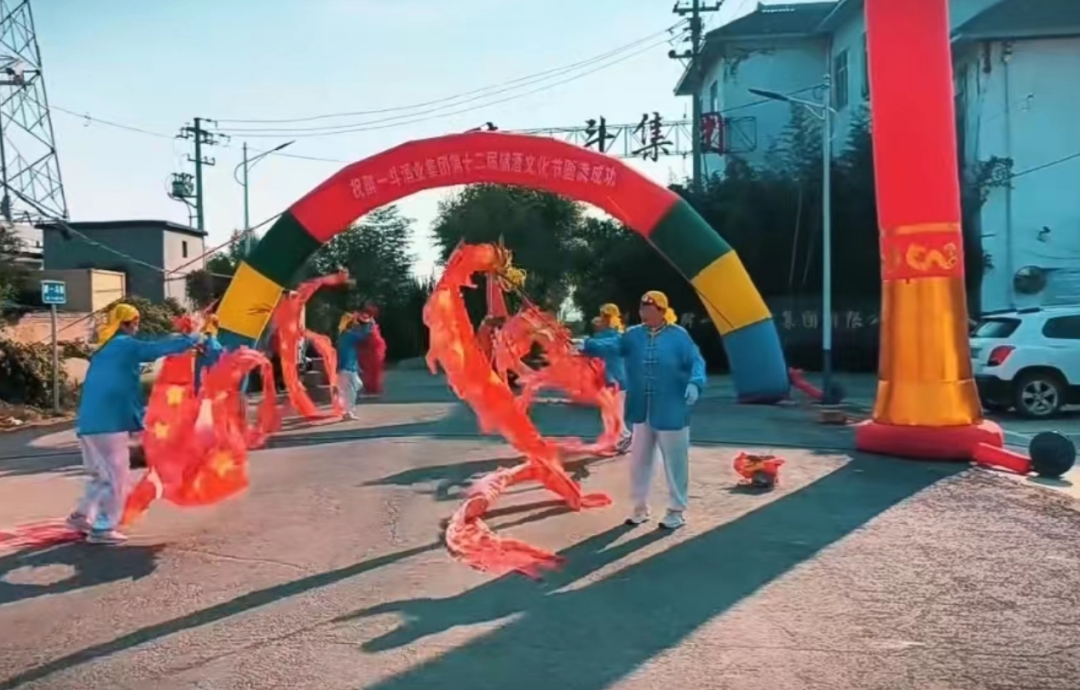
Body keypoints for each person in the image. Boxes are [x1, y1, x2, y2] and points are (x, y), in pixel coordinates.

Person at [66, 303, 202, 544]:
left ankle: (81, 516)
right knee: (116, 477)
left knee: (100, 476)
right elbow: (156, 349)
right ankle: (103, 528)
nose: (137, 327)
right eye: (135, 323)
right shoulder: (124, 345)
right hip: (109, 424)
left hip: (88, 423)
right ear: (126, 324)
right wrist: (193, 337)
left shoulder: (105, 349)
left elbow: (120, 387)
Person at [581, 290, 705, 530]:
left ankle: (676, 511)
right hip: (642, 409)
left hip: (672, 408)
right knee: (639, 461)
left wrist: (695, 383)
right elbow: (612, 345)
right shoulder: (633, 335)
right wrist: (586, 344)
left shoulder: (678, 336)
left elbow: (696, 361)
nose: (644, 313)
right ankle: (639, 508)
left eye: (649, 309)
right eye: (642, 309)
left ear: (662, 310)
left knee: (675, 462)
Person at [584, 304, 632, 454]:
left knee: (615, 413)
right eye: (602, 316)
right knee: (607, 414)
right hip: (605, 381)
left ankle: (624, 437)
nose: (601, 320)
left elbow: (602, 346)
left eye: (605, 316)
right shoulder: (600, 337)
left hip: (616, 381)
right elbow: (589, 352)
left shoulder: (619, 337)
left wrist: (588, 343)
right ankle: (615, 442)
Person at [336, 312, 372, 420]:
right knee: (350, 391)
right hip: (347, 368)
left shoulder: (343, 334)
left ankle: (346, 411)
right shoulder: (348, 335)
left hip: (347, 367)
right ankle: (348, 413)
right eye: (354, 322)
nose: (356, 324)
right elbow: (364, 335)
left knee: (353, 387)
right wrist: (368, 322)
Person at [355, 306, 387, 396]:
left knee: (370, 370)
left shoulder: (367, 322)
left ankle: (371, 389)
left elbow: (367, 335)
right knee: (371, 370)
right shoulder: (369, 322)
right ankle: (372, 388)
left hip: (371, 348)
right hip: (371, 349)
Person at [193, 315, 223, 393]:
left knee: (199, 372)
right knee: (211, 373)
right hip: (215, 351)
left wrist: (198, 348)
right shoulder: (215, 331)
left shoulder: (206, 330)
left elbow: (200, 342)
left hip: (205, 351)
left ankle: (198, 391)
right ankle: (208, 391)